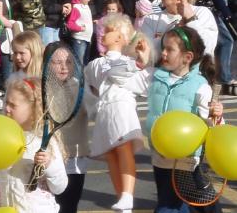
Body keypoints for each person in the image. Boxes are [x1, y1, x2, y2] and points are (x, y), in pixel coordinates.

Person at [145, 26, 223, 213]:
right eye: (163, 47)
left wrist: (216, 115)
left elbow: (213, 127)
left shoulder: (200, 86)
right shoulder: (157, 78)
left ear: (187, 57)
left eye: (169, 49)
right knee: (181, 204)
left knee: (168, 208)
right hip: (160, 157)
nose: (163, 52)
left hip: (185, 161)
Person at [0, 76, 67, 213]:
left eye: (13, 105)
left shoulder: (44, 141)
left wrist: (49, 165)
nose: (6, 108)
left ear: (33, 108)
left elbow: (59, 187)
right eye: (6, 103)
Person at [85, 14, 152, 213]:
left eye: (107, 31)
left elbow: (134, 80)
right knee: (111, 154)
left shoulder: (124, 61)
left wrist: (140, 62)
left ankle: (128, 195)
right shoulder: (98, 63)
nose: (102, 34)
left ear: (120, 38)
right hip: (105, 110)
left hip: (121, 108)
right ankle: (121, 197)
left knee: (122, 148)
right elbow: (96, 77)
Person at [47, 43, 89, 213]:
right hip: (50, 159)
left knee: (69, 206)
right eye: (57, 62)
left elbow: (97, 110)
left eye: (69, 62)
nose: (64, 67)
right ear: (47, 64)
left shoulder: (81, 87)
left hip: (75, 159)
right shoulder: (41, 88)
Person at [141, 0, 218, 57]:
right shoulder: (151, 19)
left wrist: (190, 19)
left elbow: (207, 50)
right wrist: (173, 32)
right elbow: (146, 54)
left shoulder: (202, 13)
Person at [66, 0, 93, 65]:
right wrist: (80, 28)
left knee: (85, 61)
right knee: (78, 61)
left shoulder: (85, 6)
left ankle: (84, 77)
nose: (89, 0)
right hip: (79, 39)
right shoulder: (76, 8)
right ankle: (77, 77)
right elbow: (70, 24)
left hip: (87, 38)